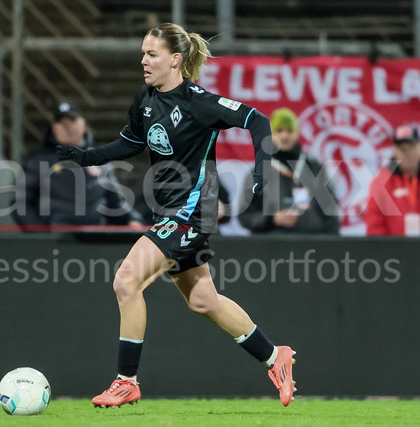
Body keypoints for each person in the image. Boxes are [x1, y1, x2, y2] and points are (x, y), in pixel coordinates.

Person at [57, 23, 296, 408]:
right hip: (168, 213)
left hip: (192, 212)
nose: (143, 60)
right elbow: (130, 143)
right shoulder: (146, 98)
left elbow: (257, 120)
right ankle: (275, 356)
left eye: (151, 54)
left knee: (126, 281)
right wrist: (87, 157)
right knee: (204, 300)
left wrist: (262, 168)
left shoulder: (198, 102)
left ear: (175, 59)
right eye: (143, 53)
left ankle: (126, 381)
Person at [11, 101, 143, 231]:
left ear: (83, 125)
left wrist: (132, 220)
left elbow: (116, 203)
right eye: (62, 123)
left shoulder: (100, 160)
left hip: (95, 237)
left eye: (72, 121)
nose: (67, 127)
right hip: (57, 239)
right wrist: (41, 235)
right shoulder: (36, 161)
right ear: (54, 128)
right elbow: (20, 203)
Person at [238, 108, 340, 234]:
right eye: (279, 130)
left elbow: (331, 211)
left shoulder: (314, 168)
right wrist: (271, 219)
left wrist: (331, 241)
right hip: (271, 244)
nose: (285, 136)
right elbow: (245, 216)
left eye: (290, 131)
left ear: (297, 133)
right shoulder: (258, 172)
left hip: (312, 242)